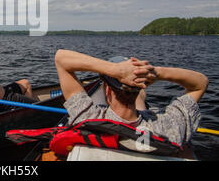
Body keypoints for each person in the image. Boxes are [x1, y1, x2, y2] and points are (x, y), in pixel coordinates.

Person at [54, 49, 208, 146]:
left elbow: (61, 58)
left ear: (107, 91)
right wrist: (156, 72)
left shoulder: (87, 117)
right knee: (143, 108)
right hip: (145, 125)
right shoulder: (171, 127)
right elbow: (201, 83)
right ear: (140, 88)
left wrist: (115, 70)